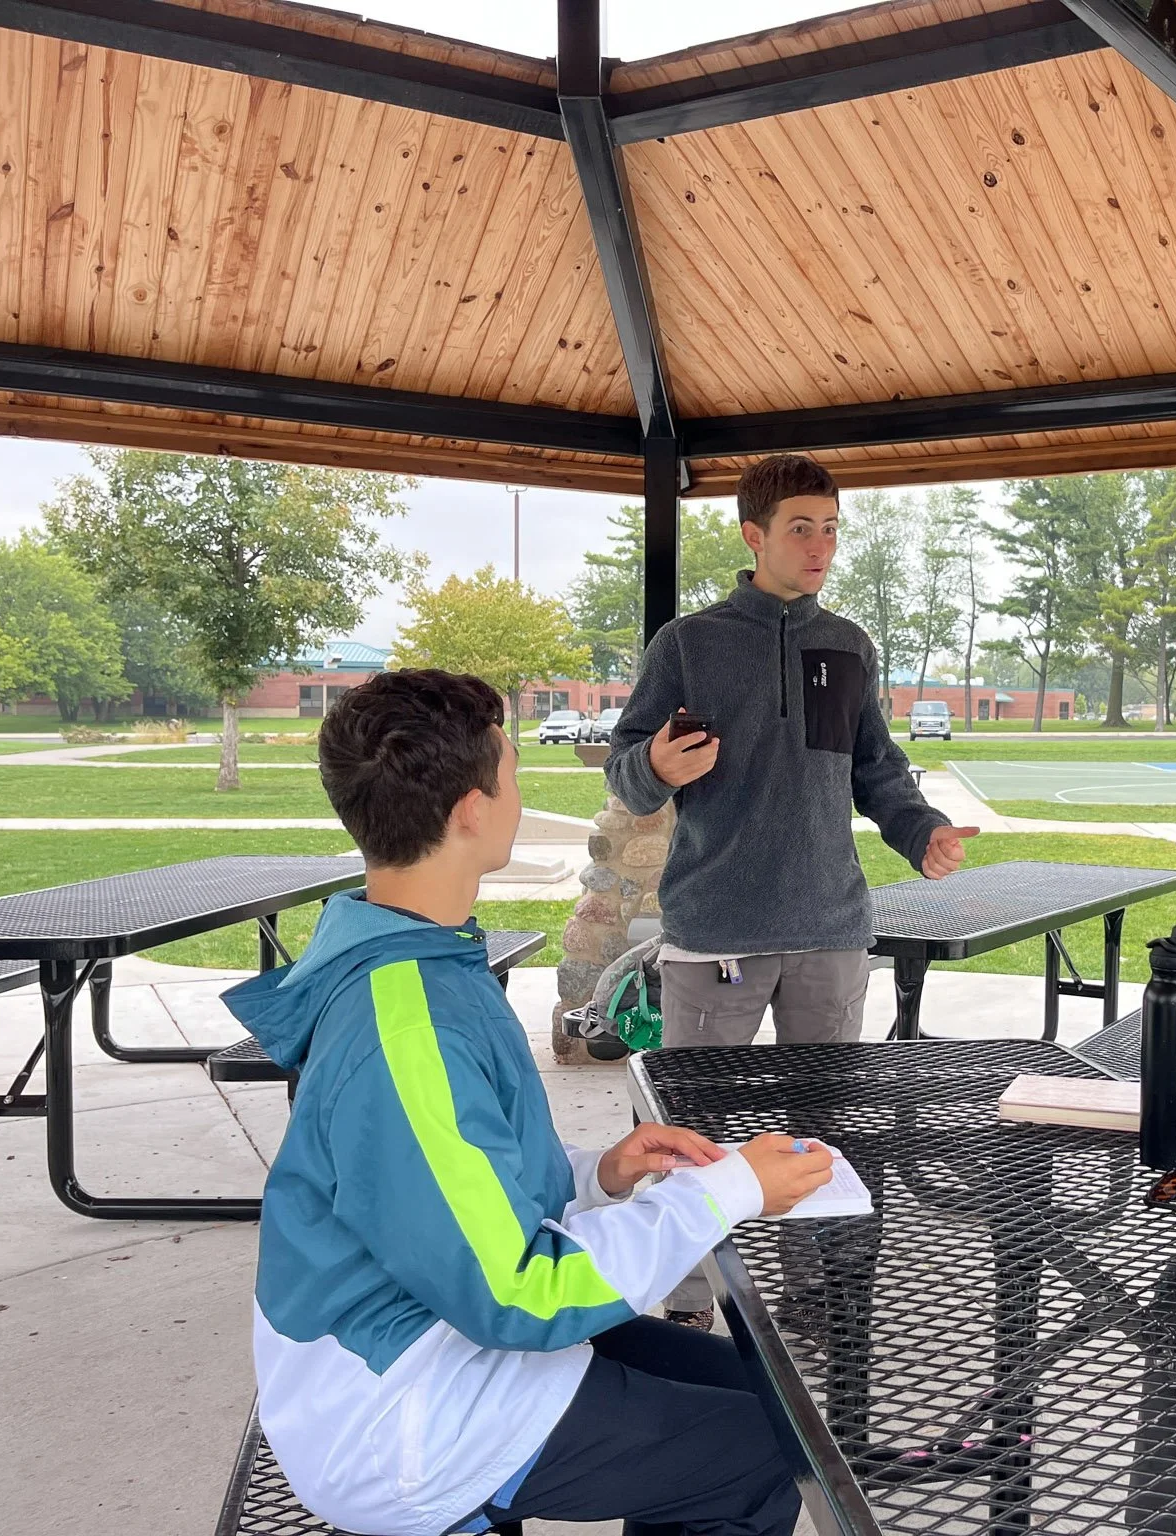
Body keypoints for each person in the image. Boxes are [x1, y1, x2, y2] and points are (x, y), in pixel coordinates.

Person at [227, 669, 834, 1536]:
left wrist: (598, 1175)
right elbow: (519, 1296)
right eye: (511, 772)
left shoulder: (418, 956)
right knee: (762, 1454)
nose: (519, 792)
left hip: (437, 1331)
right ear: (472, 811)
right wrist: (728, 1191)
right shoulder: (405, 1023)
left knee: (768, 1394)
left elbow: (460, 1186)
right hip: (400, 1411)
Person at [607, 454, 975, 1324]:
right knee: (699, 1125)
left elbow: (875, 769)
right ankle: (688, 1300)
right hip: (715, 931)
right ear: (754, 535)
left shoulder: (848, 645)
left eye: (831, 529)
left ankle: (821, 1293)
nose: (820, 547)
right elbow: (626, 770)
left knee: (825, 1125)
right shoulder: (688, 645)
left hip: (830, 929)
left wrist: (920, 830)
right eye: (801, 528)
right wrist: (655, 764)